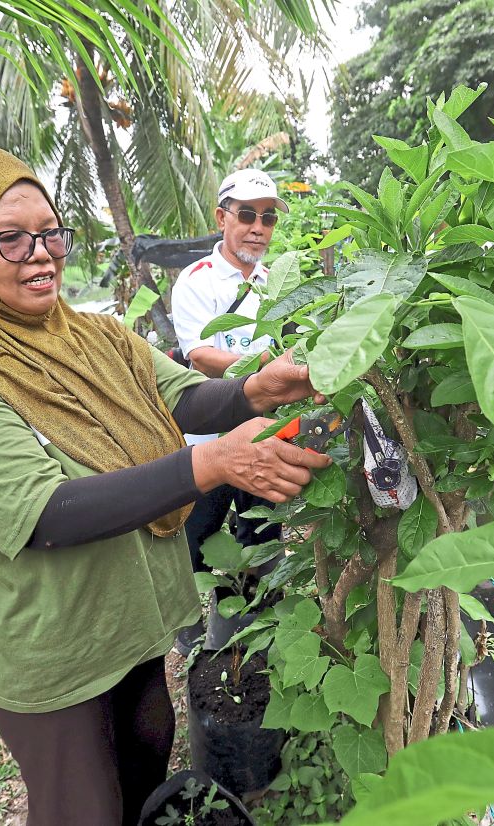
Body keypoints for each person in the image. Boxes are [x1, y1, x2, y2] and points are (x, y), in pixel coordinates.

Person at [0, 143, 330, 826]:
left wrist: (255, 387)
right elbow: (45, 513)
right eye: (9, 239)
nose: (40, 253)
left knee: (143, 786)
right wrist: (211, 464)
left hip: (133, 627)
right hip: (58, 662)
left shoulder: (98, 336)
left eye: (49, 233)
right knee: (84, 810)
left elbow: (185, 398)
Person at [169, 170, 288, 650]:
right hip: (209, 442)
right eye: (246, 214)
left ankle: (256, 620)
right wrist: (263, 366)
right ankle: (187, 624)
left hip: (263, 436)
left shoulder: (272, 281)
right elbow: (198, 356)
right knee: (194, 536)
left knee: (263, 529)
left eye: (267, 217)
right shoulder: (197, 282)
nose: (258, 227)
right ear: (222, 218)